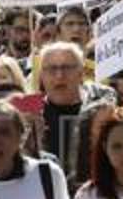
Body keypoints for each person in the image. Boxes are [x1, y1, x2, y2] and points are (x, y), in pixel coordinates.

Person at [38, 42, 116, 177]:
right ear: (41, 75)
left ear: (81, 73)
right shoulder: (32, 116)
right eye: (51, 69)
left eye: (67, 68)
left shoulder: (102, 110)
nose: (59, 76)